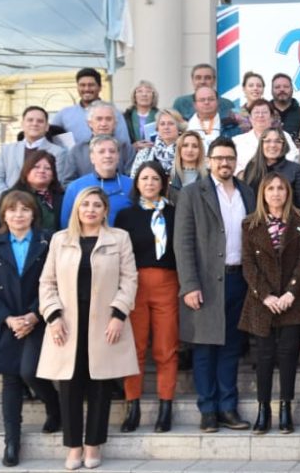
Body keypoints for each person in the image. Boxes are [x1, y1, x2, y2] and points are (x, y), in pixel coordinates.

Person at [37, 187, 138, 470]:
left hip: (105, 324)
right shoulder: (60, 240)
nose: (91, 210)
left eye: (97, 205)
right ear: (77, 209)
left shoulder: (119, 239)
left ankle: (93, 445)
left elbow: (130, 280)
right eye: (86, 205)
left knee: (100, 386)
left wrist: (119, 314)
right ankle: (73, 448)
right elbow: (47, 283)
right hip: (67, 324)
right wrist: (53, 316)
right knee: (68, 387)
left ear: (105, 210)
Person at [0, 191, 62, 466]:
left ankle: (54, 407)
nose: (18, 215)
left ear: (34, 214)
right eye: (12, 210)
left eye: (25, 210)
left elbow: (56, 281)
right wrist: (8, 319)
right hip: (6, 322)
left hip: (39, 319)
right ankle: (12, 442)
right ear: (4, 215)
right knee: (11, 380)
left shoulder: (47, 241)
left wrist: (34, 315)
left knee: (30, 372)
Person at [174, 136, 257, 432]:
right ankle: (207, 409)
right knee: (205, 348)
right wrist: (189, 284)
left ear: (236, 162)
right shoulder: (192, 193)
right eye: (219, 158)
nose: (225, 163)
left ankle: (228, 408)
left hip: (239, 281)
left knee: (232, 347)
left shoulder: (247, 192)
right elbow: (183, 243)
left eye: (230, 159)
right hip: (206, 283)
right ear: (209, 161)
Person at [238, 172, 300, 435]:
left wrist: (291, 293)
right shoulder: (250, 224)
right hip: (263, 302)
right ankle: (263, 410)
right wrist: (266, 295)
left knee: (288, 356)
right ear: (263, 193)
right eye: (270, 188)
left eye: (281, 188)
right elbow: (248, 265)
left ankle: (285, 409)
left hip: (293, 300)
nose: (276, 193)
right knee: (264, 356)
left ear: (287, 192)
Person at [112, 162, 180, 434]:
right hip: (135, 285)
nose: (150, 183)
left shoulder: (175, 213)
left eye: (155, 178)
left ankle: (166, 406)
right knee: (135, 347)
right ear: (136, 183)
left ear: (163, 182)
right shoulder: (125, 216)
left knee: (166, 347)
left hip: (167, 282)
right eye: (144, 178)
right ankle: (133, 405)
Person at [0, 106, 70, 194]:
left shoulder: (58, 152)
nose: (34, 124)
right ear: (22, 124)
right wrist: (9, 198)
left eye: (40, 121)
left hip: (41, 205)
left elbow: (57, 183)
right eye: (30, 120)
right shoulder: (7, 150)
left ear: (47, 127)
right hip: (9, 204)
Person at [59, 135, 134, 228]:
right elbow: (66, 225)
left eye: (112, 151)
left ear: (118, 156)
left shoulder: (132, 185)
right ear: (92, 158)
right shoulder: (75, 187)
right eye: (101, 152)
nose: (108, 155)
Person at [54, 68, 131, 148]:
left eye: (91, 85)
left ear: (100, 88)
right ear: (77, 88)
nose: (86, 89)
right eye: (82, 85)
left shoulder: (114, 113)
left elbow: (124, 144)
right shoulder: (64, 114)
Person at [240, 126, 300, 212]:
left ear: (284, 145)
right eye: (267, 141)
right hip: (257, 222)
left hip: (289, 222)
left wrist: (297, 225)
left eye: (278, 141)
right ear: (261, 144)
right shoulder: (252, 167)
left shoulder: (296, 170)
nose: (273, 145)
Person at [63, 101, 135, 184]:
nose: (104, 124)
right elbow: (68, 182)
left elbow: (132, 181)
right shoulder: (77, 151)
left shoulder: (127, 149)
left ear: (115, 123)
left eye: (108, 119)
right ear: (90, 123)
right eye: (99, 119)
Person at [233, 99, 300, 175]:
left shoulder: (284, 136)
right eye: (256, 112)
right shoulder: (237, 141)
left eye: (264, 112)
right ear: (250, 118)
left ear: (272, 117)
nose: (260, 115)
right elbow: (234, 166)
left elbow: (293, 159)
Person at [170, 64, 239, 134]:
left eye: (207, 78)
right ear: (192, 80)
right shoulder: (181, 103)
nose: (202, 81)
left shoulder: (227, 104)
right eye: (198, 78)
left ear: (214, 80)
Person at [11, 149, 65, 232]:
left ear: (53, 175)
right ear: (26, 171)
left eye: (47, 168)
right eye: (36, 167)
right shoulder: (10, 195)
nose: (42, 171)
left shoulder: (63, 197)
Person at [130, 107, 186, 178]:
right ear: (157, 128)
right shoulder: (145, 153)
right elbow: (134, 180)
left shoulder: (187, 151)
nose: (166, 127)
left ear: (179, 127)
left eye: (171, 123)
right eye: (162, 124)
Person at [168, 130, 208, 197]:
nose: (190, 150)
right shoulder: (170, 177)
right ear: (179, 149)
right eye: (185, 145)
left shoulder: (208, 177)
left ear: (200, 151)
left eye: (195, 146)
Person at [188, 86, 227, 153]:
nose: (206, 102)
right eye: (202, 100)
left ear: (217, 102)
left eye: (211, 99)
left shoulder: (230, 125)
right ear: (195, 104)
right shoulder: (186, 127)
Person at [124, 80, 160, 151]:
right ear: (134, 96)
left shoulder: (160, 116)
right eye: (140, 91)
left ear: (153, 96)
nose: (144, 94)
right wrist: (132, 147)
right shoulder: (126, 117)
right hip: (132, 158)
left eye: (148, 91)